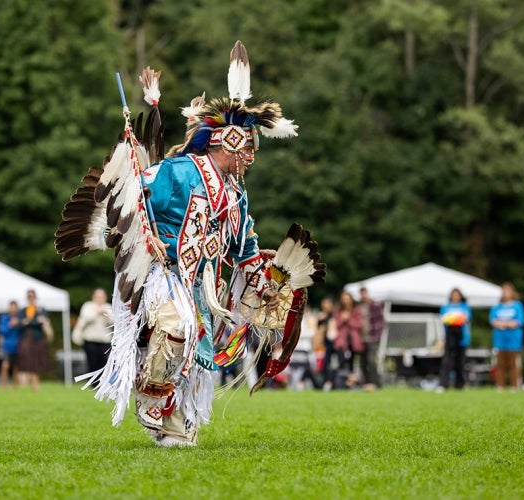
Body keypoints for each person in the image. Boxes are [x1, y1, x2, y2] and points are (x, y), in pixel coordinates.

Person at [55, 42, 324, 447]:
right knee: (174, 326)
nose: (251, 155)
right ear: (224, 143)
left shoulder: (236, 194)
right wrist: (131, 183)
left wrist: (264, 280)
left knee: (194, 372)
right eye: (247, 146)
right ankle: (151, 395)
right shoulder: (180, 172)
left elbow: (244, 245)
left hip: (204, 286)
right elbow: (137, 196)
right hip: (163, 274)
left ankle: (174, 423)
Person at [489, 282, 524, 391]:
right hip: (500, 339)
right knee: (500, 363)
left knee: (513, 363)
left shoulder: (517, 306)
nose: (506, 293)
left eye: (508, 290)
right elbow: (493, 321)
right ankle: (500, 385)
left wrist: (503, 323)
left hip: (514, 339)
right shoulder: (497, 307)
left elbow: (519, 321)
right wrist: (508, 323)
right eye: (504, 291)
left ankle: (514, 385)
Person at [437, 288, 472, 392]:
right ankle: (444, 384)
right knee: (447, 361)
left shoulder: (465, 307)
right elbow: (443, 319)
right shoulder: (446, 307)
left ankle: (459, 384)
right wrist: (456, 318)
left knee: (460, 362)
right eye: (454, 294)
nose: (455, 296)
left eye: (457, 294)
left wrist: (452, 319)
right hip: (449, 337)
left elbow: (465, 318)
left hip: (462, 338)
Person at [72, 288, 114, 373]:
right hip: (90, 340)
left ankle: (101, 382)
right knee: (92, 362)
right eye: (97, 297)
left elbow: (113, 322)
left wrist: (106, 316)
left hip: (104, 341)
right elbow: (84, 319)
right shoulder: (88, 306)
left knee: (103, 362)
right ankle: (92, 383)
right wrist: (96, 313)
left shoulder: (108, 307)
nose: (99, 299)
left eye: (101, 297)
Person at [17, 289, 50, 392]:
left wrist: (28, 322)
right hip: (26, 338)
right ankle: (26, 384)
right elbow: (19, 324)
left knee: (36, 362)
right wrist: (35, 321)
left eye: (32, 296)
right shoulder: (23, 310)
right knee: (26, 361)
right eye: (29, 296)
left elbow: (42, 322)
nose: (31, 298)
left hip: (37, 339)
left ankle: (36, 385)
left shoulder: (41, 309)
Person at [333, 291, 364, 388]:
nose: (346, 301)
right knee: (341, 362)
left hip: (353, 341)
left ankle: (351, 384)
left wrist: (348, 319)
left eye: (347, 299)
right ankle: (341, 383)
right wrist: (342, 319)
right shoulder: (338, 311)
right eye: (344, 299)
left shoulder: (357, 310)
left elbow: (359, 325)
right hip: (341, 342)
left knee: (352, 364)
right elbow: (336, 325)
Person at [358, 286, 385, 391]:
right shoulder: (359, 306)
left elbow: (382, 322)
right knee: (363, 362)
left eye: (364, 293)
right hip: (361, 339)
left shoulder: (375, 305)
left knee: (371, 360)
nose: (363, 296)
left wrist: (377, 336)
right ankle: (367, 383)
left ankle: (376, 383)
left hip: (373, 338)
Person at [315, 296, 337, 391]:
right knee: (322, 364)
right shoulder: (320, 316)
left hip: (332, 344)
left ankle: (330, 382)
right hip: (322, 344)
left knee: (330, 364)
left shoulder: (334, 316)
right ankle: (323, 382)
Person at [0, 300, 21, 390]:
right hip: (7, 346)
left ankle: (14, 387)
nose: (12, 310)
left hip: (17, 346)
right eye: (11, 308)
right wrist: (10, 325)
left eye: (14, 308)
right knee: (5, 366)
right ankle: (3, 386)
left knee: (16, 367)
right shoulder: (4, 318)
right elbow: (2, 331)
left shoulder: (20, 319)